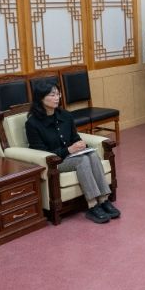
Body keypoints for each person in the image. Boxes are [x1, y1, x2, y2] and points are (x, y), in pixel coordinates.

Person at [25, 82, 119, 224]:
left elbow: (74, 137)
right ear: (41, 98)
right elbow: (40, 152)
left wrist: (80, 144)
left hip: (72, 155)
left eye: (58, 94)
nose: (57, 97)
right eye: (52, 95)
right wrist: (68, 150)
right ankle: (92, 205)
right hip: (55, 162)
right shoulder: (32, 123)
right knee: (83, 160)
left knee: (92, 155)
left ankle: (104, 200)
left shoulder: (65, 115)